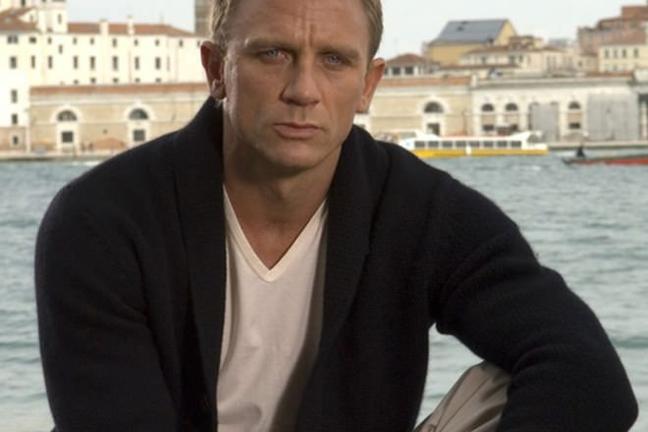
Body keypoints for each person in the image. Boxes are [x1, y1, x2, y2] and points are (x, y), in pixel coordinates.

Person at [35, 0, 637, 431]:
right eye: (273, 54)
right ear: (217, 70)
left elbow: (588, 373)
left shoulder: (421, 211)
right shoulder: (102, 221)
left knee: (509, 384)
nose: (303, 90)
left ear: (369, 84)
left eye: (333, 60)